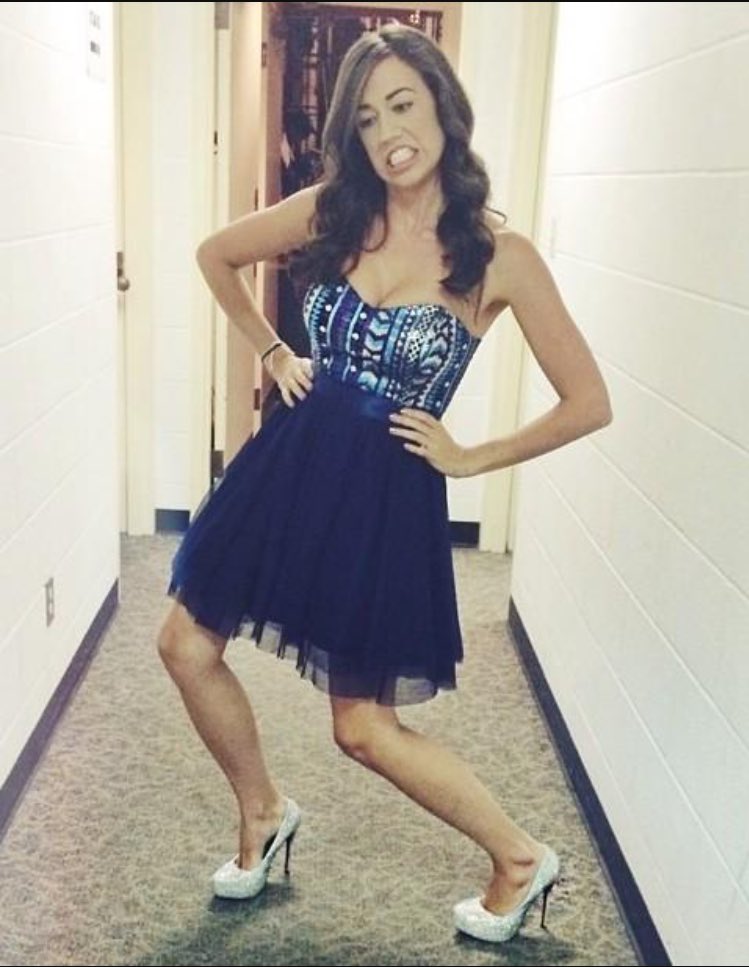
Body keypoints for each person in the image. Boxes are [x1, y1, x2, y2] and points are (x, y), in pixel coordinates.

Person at [156, 23, 612, 944]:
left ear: (443, 107)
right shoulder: (334, 211)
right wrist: (273, 349)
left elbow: (588, 401)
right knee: (184, 643)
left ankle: (519, 857)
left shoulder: (499, 256)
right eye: (365, 119)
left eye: (402, 105)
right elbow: (215, 254)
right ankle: (261, 810)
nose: (387, 133)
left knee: (361, 726)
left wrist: (471, 456)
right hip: (291, 462)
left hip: (383, 498)